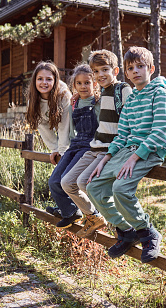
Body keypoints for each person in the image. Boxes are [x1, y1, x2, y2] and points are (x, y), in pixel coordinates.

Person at [86, 46, 166, 263]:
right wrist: (106, 158)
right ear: (125, 73)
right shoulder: (132, 100)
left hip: (150, 150)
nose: (136, 71)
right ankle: (127, 231)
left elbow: (162, 131)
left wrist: (136, 157)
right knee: (93, 186)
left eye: (141, 66)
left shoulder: (161, 94)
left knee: (120, 188)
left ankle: (148, 232)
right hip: (127, 150)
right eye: (131, 68)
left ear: (151, 69)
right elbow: (123, 134)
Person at [61, 49, 132, 237]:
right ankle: (93, 216)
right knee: (67, 182)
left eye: (105, 70)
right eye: (97, 71)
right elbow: (88, 99)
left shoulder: (122, 89)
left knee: (86, 183)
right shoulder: (102, 91)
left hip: (110, 148)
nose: (101, 75)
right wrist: (78, 96)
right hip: (94, 146)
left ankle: (122, 225)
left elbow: (132, 119)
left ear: (115, 71)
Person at [49, 63, 101, 229]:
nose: (83, 86)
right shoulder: (74, 104)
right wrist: (64, 150)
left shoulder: (98, 103)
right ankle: (70, 212)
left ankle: (88, 213)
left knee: (68, 180)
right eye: (79, 83)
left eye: (87, 82)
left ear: (95, 83)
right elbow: (71, 130)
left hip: (89, 146)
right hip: (75, 145)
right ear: (74, 85)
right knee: (54, 181)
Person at [25, 61, 73, 222]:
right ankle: (67, 208)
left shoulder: (63, 95)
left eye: (48, 79)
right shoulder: (33, 99)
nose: (44, 83)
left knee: (61, 178)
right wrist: (54, 149)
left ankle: (70, 209)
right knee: (59, 178)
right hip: (61, 142)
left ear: (55, 80)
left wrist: (63, 150)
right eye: (40, 79)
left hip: (75, 136)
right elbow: (43, 127)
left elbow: (66, 124)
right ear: (34, 81)